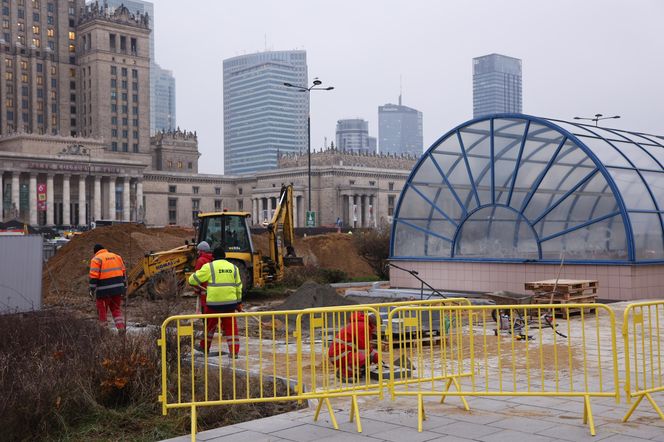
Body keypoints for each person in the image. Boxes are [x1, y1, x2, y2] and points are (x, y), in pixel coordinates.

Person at [188, 246, 242, 357]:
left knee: (210, 327)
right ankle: (234, 352)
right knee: (231, 328)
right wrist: (238, 303)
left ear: (213, 257)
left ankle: (204, 347)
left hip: (214, 304)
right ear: (225, 256)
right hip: (230, 304)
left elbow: (192, 280)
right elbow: (238, 287)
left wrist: (193, 279)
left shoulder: (209, 267)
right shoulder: (234, 268)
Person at [328, 312, 379, 379]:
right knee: (364, 358)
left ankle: (350, 371)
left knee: (365, 357)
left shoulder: (361, 324)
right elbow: (363, 349)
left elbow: (367, 347)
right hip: (339, 355)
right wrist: (371, 358)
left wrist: (378, 359)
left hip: (340, 353)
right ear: (374, 324)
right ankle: (344, 373)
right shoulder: (363, 327)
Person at [89, 244, 126, 331]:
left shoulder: (96, 259)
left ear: (95, 252)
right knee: (116, 309)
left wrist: (92, 290)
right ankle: (121, 328)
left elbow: (94, 276)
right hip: (118, 289)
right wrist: (124, 287)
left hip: (103, 291)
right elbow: (123, 273)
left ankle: (103, 330)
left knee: (102, 310)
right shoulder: (117, 257)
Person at [193, 241, 213, 314]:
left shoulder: (200, 261)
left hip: (204, 292)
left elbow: (196, 278)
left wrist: (196, 290)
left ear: (202, 251)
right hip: (213, 292)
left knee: (205, 315)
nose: (197, 252)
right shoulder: (212, 260)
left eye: (198, 250)